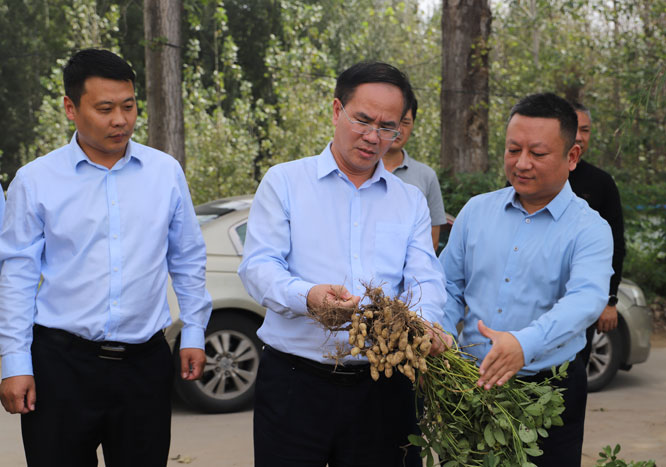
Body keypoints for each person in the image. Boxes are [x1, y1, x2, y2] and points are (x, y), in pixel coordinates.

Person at [0, 49, 212, 467]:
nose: (121, 120)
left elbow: (187, 259)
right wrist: (14, 361)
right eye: (105, 108)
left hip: (144, 364)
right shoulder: (36, 180)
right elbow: (17, 276)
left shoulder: (164, 172)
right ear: (70, 108)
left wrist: (193, 331)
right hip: (61, 366)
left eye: (129, 106)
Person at [239, 61, 451, 467]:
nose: (374, 137)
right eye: (363, 120)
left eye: (388, 127)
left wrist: (422, 323)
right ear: (337, 111)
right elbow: (259, 267)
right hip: (294, 387)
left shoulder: (409, 201)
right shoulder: (285, 182)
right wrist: (308, 297)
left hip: (385, 385)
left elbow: (426, 278)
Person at [439, 93, 613, 466]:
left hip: (548, 390)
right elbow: (447, 284)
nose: (521, 163)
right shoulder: (477, 211)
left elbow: (586, 299)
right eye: (513, 149)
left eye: (537, 153)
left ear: (572, 157)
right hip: (468, 384)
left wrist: (524, 343)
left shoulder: (590, 229)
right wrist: (440, 333)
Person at [569, 102, 626, 366]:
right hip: (536, 303)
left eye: (586, 130)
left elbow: (616, 246)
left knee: (574, 375)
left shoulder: (601, 183)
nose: (580, 136)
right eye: (574, 128)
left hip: (584, 302)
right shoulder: (530, 177)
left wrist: (610, 300)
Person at [382, 94, 446, 251]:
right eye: (393, 121)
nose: (398, 129)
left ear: (413, 125)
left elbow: (432, 240)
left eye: (405, 122)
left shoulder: (426, 176)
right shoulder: (361, 170)